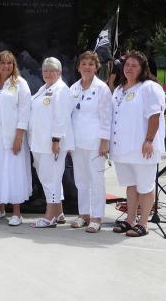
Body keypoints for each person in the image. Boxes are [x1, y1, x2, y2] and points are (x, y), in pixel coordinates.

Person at [110, 51, 166, 237]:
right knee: (131, 185)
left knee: (145, 186)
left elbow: (154, 116)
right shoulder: (119, 89)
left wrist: (149, 140)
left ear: (143, 68)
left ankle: (144, 223)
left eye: (134, 65)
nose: (129, 68)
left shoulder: (149, 87)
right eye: (127, 65)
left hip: (142, 147)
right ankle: (130, 219)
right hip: (123, 148)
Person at [0, 50, 32, 226]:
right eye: (3, 62)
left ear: (14, 65)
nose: (6, 66)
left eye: (10, 63)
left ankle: (17, 213)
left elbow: (25, 111)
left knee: (13, 173)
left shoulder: (20, 84)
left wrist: (19, 137)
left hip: (11, 137)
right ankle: (0, 209)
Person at [27, 57, 74, 228]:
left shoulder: (61, 90)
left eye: (52, 71)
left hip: (52, 143)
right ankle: (59, 212)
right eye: (45, 70)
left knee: (50, 179)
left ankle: (50, 216)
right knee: (50, 177)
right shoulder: (44, 88)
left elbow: (61, 118)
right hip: (39, 142)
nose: (47, 73)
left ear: (59, 72)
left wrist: (56, 139)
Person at [69, 51, 112, 233]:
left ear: (96, 67)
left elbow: (106, 117)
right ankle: (84, 214)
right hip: (77, 141)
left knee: (96, 180)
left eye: (91, 64)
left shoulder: (102, 88)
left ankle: (97, 216)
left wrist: (104, 142)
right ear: (78, 67)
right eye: (84, 63)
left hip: (95, 142)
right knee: (81, 179)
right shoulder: (74, 88)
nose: (87, 67)